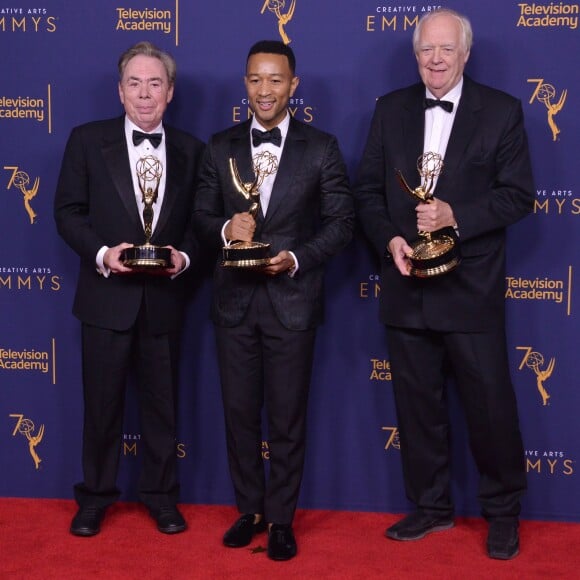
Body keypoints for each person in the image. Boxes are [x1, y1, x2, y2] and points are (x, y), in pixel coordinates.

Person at [355, 8, 534, 560]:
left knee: (490, 408)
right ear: (416, 55)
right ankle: (430, 508)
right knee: (416, 407)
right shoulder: (390, 110)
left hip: (471, 289)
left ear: (465, 54)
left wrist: (456, 214)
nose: (435, 59)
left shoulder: (501, 112)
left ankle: (502, 513)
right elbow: (366, 192)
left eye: (446, 50)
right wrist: (390, 241)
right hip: (407, 284)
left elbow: (518, 196)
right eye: (426, 50)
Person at [193, 40, 354, 561]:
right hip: (233, 304)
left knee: (286, 417)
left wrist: (297, 259)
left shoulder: (322, 147)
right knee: (239, 414)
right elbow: (197, 217)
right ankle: (250, 510)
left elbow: (342, 223)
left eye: (276, 80)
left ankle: (282, 519)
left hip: (292, 299)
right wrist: (224, 227)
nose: (265, 90)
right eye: (256, 80)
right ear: (245, 84)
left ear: (293, 85)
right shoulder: (218, 147)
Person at [54, 41, 205, 536]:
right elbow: (68, 213)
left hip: (163, 302)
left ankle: (161, 498)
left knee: (163, 407)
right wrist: (102, 253)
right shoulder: (85, 141)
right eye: (135, 84)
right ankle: (95, 498)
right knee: (101, 408)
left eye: (155, 83)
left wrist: (183, 257)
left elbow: (201, 226)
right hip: (105, 301)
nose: (145, 95)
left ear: (171, 91)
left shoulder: (192, 150)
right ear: (120, 92)